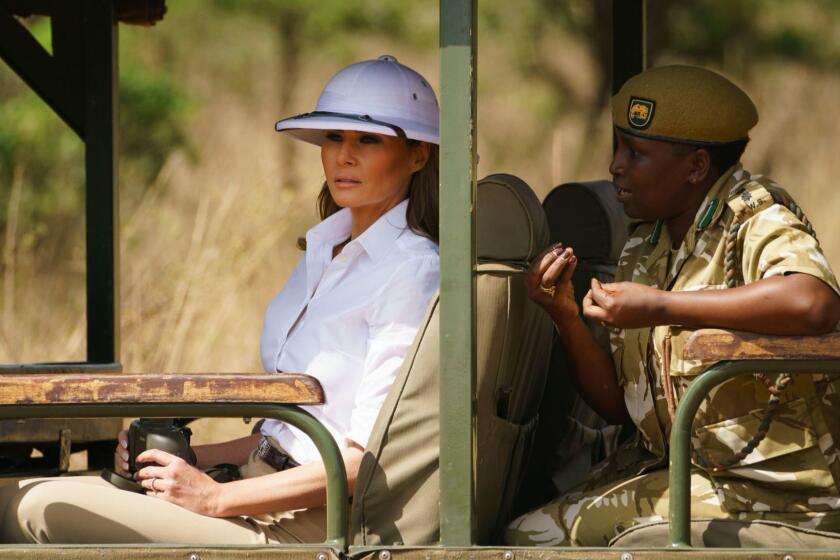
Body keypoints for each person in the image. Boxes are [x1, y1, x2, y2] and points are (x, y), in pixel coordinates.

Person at [0, 55, 440, 544]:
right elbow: (289, 433)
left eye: (369, 140)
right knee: (13, 494)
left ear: (418, 155)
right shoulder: (325, 249)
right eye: (334, 137)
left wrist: (212, 498)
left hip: (316, 522)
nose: (344, 156)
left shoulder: (412, 271)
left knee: (37, 505)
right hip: (260, 483)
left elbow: (368, 459)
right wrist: (186, 461)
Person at [506, 65, 840, 546]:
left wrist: (663, 306)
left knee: (539, 541)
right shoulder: (647, 244)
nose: (615, 166)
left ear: (697, 167)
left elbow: (813, 302)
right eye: (618, 147)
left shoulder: (755, 215)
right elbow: (621, 407)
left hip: (776, 493)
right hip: (689, 473)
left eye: (636, 153)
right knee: (522, 533)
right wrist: (566, 317)